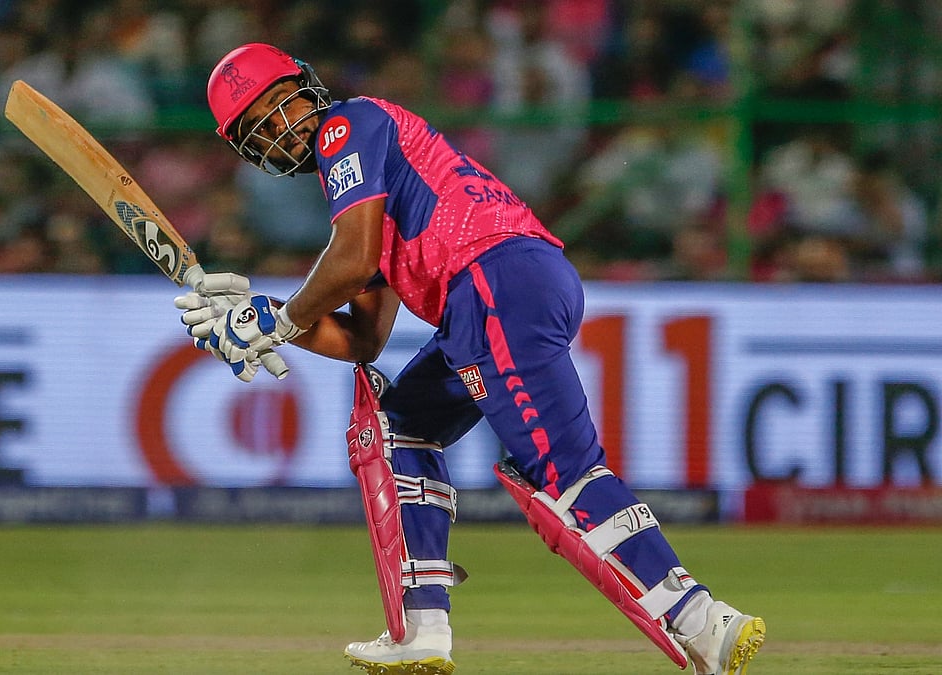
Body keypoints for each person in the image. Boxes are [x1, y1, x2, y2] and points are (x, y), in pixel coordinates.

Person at [177, 43, 766, 675]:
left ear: (308, 85)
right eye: (257, 129)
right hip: (496, 295)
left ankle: (703, 620)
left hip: (493, 280)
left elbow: (348, 263)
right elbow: (362, 340)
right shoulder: (363, 200)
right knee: (400, 424)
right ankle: (422, 627)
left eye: (277, 105)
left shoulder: (351, 125)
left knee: (562, 471)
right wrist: (260, 320)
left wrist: (279, 318)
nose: (278, 129)